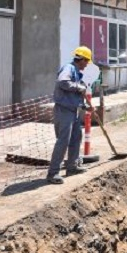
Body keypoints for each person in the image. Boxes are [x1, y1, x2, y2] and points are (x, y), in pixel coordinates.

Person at [47, 46, 93, 185]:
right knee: (63, 141)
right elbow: (63, 82)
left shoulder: (77, 72)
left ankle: (71, 167)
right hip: (63, 111)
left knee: (75, 138)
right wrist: (80, 88)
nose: (87, 65)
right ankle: (53, 173)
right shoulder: (68, 68)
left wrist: (83, 105)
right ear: (82, 59)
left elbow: (73, 94)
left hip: (72, 111)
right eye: (86, 62)